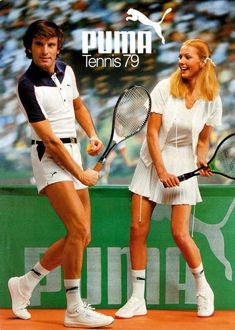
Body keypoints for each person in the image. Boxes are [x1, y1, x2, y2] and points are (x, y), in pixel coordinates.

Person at [8, 20, 114, 328]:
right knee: (78, 229)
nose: (45, 51)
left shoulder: (66, 71)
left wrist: (92, 134)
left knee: (82, 235)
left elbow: (78, 107)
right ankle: (73, 310)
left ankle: (25, 283)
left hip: (75, 151)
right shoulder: (27, 84)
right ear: (30, 48)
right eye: (39, 45)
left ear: (58, 46)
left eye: (51, 44)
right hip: (50, 157)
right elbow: (52, 142)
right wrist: (81, 174)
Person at [115, 39, 222, 319]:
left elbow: (203, 140)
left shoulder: (213, 99)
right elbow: (152, 133)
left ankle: (203, 289)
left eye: (188, 57)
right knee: (137, 230)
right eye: (179, 56)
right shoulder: (164, 87)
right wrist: (161, 171)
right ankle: (137, 299)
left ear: (203, 61)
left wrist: (201, 159)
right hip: (152, 164)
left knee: (180, 233)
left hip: (184, 166)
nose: (181, 61)